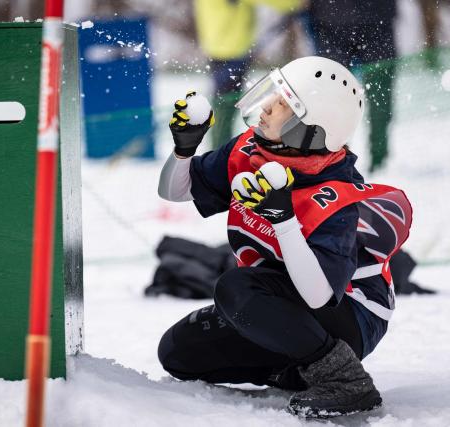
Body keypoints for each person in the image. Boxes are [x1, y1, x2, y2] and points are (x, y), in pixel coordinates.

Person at [156, 56, 412, 418]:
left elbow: (320, 295)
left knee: (235, 288)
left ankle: (345, 381)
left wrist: (284, 219)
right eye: (273, 95)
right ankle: (293, 371)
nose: (266, 108)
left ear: (308, 129)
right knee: (177, 353)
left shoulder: (335, 196)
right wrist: (185, 149)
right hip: (278, 295)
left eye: (283, 104)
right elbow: (176, 191)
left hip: (350, 315)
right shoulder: (253, 149)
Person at [193, 0, 302, 149]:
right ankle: (219, 150)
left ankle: (219, 148)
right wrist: (295, 3)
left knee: (224, 101)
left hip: (218, 44)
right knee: (226, 103)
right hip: (230, 46)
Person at [307, 0, 397, 172]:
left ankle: (378, 162)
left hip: (357, 19)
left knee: (376, 96)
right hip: (337, 21)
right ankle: (334, 162)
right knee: (332, 99)